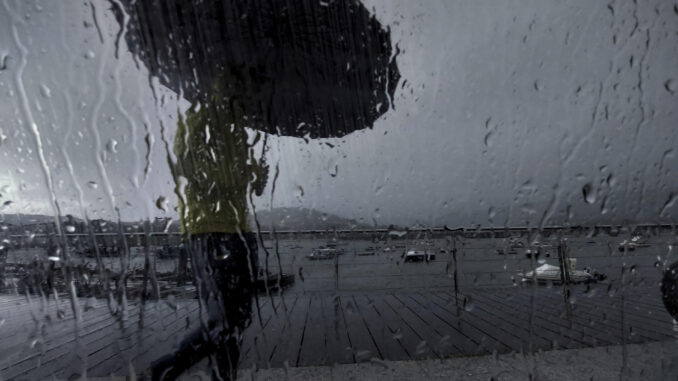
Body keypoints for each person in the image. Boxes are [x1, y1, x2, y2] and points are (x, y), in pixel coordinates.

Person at [151, 70, 268, 381]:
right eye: (238, 80)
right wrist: (241, 177)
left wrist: (258, 177)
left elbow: (247, 186)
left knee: (238, 319)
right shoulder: (198, 116)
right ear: (221, 80)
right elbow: (186, 167)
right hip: (208, 230)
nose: (245, 87)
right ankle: (165, 369)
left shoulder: (239, 126)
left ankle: (222, 378)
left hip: (240, 231)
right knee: (223, 321)